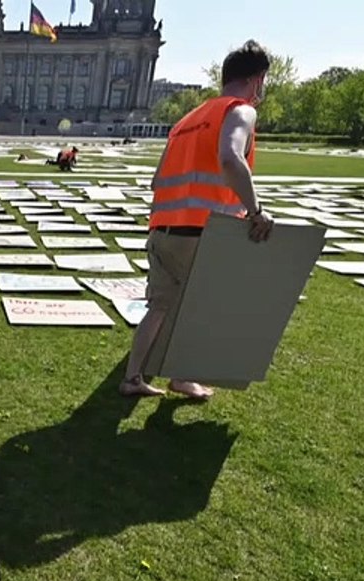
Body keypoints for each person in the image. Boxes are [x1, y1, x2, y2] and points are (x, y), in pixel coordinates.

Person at [119, 39, 276, 401]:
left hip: (163, 228)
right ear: (257, 79)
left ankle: (133, 378)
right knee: (205, 307)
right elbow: (230, 158)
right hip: (205, 231)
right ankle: (184, 378)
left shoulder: (187, 121)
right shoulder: (239, 111)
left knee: (159, 306)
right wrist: (255, 211)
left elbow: (158, 179)